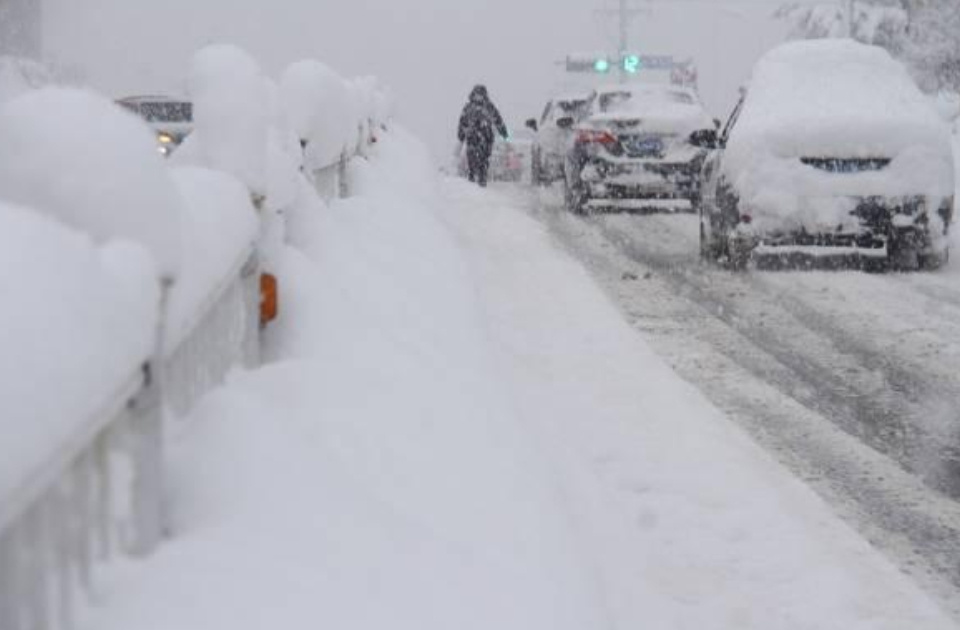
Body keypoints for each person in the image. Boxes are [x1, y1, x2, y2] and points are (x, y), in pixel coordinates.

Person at [457, 85, 508, 187]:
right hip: (472, 139)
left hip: (486, 139)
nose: (478, 97)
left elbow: (498, 119)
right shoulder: (468, 108)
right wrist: (461, 135)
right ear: (473, 95)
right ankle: (471, 179)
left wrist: (503, 132)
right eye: (477, 95)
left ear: (484, 95)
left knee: (483, 162)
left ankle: (482, 181)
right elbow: (462, 122)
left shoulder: (489, 107)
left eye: (480, 95)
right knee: (471, 161)